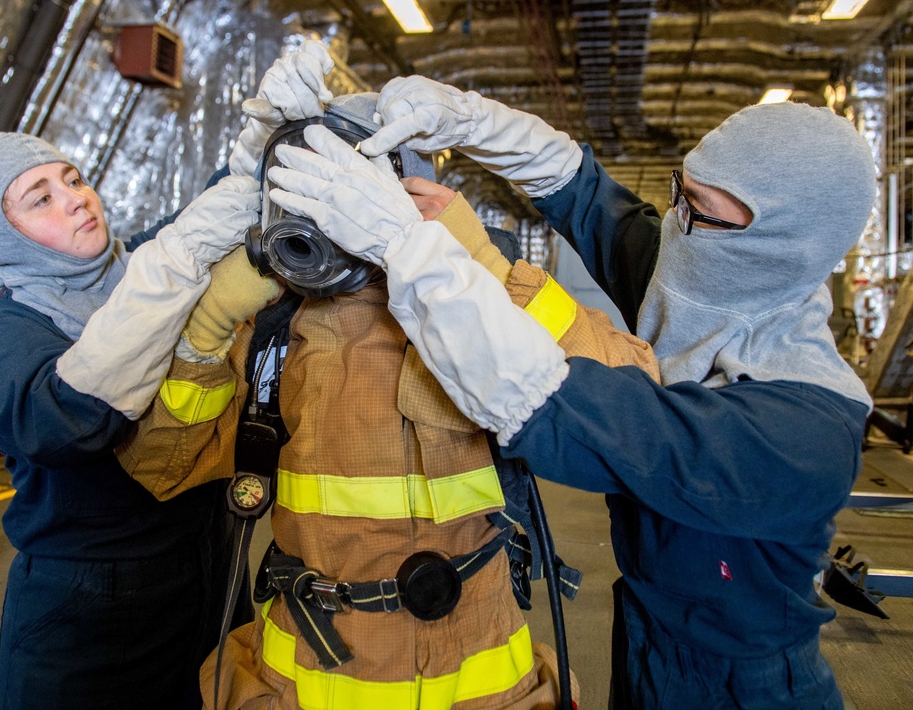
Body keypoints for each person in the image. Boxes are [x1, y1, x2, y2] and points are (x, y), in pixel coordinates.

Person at [264, 80, 877, 710]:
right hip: (644, 632)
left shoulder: (805, 433)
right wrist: (467, 117)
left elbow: (556, 408)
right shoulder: (703, 274)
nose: (675, 226)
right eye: (679, 194)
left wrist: (413, 251)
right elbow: (585, 195)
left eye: (700, 210)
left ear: (773, 245)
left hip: (740, 681)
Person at [118, 40, 661, 710]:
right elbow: (163, 466)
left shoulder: (475, 307)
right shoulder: (271, 329)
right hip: (307, 682)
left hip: (480, 682)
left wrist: (482, 267)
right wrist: (204, 332)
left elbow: (638, 401)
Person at [0, 130, 277, 709]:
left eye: (72, 179)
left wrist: (264, 141)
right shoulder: (10, 327)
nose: (76, 198)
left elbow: (206, 212)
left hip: (210, 566)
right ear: (3, 234)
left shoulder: (141, 267)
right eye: (39, 198)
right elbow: (58, 419)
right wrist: (161, 284)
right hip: (92, 602)